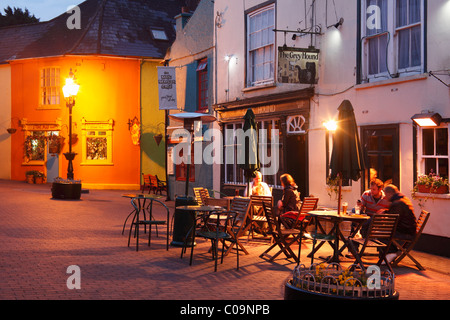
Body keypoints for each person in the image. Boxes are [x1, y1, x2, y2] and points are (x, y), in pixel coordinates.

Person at [381, 184, 417, 262]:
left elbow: (392, 221)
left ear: (389, 194)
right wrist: (386, 212)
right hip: (408, 230)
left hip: (405, 232)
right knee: (382, 232)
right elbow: (398, 215)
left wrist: (382, 223)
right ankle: (388, 254)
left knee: (379, 234)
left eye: (386, 195)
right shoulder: (402, 199)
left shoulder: (397, 203)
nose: (385, 197)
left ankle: (391, 253)